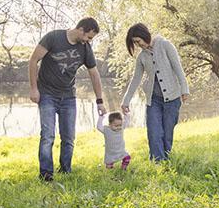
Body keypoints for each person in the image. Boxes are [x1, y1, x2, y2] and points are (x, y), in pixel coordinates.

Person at [28, 17, 107, 181]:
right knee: (48, 135)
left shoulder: (85, 48)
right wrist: (34, 89)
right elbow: (33, 60)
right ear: (81, 29)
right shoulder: (53, 37)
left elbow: (94, 73)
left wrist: (100, 100)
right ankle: (46, 175)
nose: (88, 41)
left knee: (69, 137)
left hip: (68, 96)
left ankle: (65, 171)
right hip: (47, 94)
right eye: (89, 37)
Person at [120, 23, 189, 161]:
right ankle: (158, 163)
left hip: (173, 98)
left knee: (167, 133)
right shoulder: (142, 57)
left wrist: (184, 89)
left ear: (144, 35)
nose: (138, 45)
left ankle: (166, 159)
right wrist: (126, 101)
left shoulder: (165, 45)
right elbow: (136, 79)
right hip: (154, 100)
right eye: (135, 43)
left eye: (138, 41)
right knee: (154, 132)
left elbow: (178, 68)